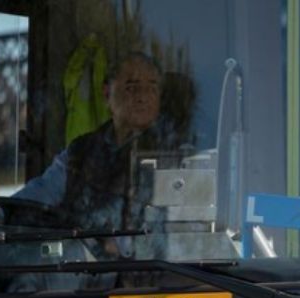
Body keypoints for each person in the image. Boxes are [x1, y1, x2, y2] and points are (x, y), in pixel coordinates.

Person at [15, 51, 185, 235]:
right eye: (131, 87)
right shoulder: (80, 152)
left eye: (152, 88)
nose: (142, 97)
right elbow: (38, 196)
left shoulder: (177, 153)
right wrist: (1, 217)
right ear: (106, 94)